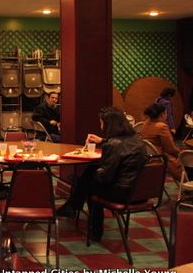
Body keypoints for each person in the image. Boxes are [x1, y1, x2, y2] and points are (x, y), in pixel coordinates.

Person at [56, 107, 146, 241]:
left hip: (122, 193)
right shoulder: (137, 140)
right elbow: (121, 150)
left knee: (90, 184)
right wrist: (103, 141)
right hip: (139, 190)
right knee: (91, 171)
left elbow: (105, 177)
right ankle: (73, 205)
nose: (101, 125)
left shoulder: (114, 145)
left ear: (109, 124)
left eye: (102, 122)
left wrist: (96, 172)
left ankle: (94, 229)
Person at [140, 103, 182, 180]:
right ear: (162, 114)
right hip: (159, 157)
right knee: (184, 157)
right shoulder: (161, 126)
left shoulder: (145, 123)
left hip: (147, 156)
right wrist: (180, 153)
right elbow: (170, 148)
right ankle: (187, 181)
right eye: (166, 113)